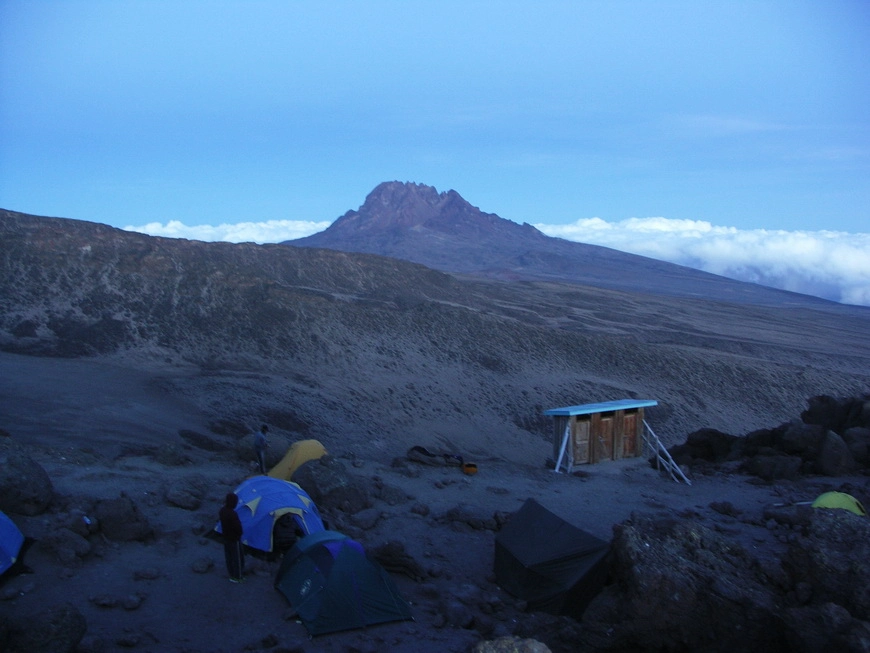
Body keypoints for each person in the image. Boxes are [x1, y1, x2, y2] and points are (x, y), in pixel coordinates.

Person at [219, 493, 244, 583]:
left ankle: (231, 574)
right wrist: (239, 534)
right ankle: (238, 577)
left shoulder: (222, 510)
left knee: (229, 556)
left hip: (226, 537)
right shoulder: (233, 514)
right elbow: (238, 527)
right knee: (237, 557)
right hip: (234, 539)